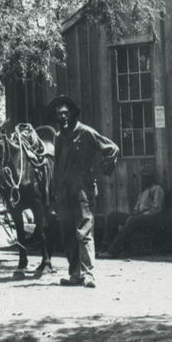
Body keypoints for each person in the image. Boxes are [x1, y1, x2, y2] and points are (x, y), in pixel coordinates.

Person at [50, 95, 119, 288]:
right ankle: (75, 275)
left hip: (82, 192)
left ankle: (89, 275)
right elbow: (56, 167)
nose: (62, 117)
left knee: (84, 232)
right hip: (64, 192)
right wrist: (54, 193)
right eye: (59, 114)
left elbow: (112, 148)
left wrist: (105, 169)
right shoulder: (58, 137)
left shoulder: (86, 132)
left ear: (72, 113)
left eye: (65, 113)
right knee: (67, 234)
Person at [103, 167, 169, 258]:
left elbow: (157, 208)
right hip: (139, 218)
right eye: (143, 177)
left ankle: (112, 250)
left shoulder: (156, 189)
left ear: (151, 178)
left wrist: (138, 216)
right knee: (112, 216)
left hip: (152, 219)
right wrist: (135, 214)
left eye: (147, 177)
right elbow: (136, 209)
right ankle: (111, 247)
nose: (144, 179)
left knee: (133, 220)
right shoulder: (142, 192)